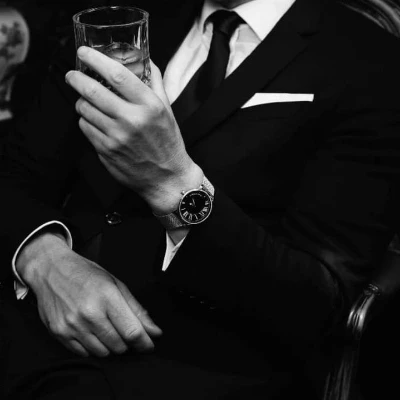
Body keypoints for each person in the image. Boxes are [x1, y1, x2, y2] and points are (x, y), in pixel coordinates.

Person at [0, 0, 400, 398]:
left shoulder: (372, 61)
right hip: (30, 309)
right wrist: (43, 259)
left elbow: (317, 304)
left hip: (192, 360)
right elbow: (15, 170)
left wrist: (169, 181)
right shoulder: (119, 20)